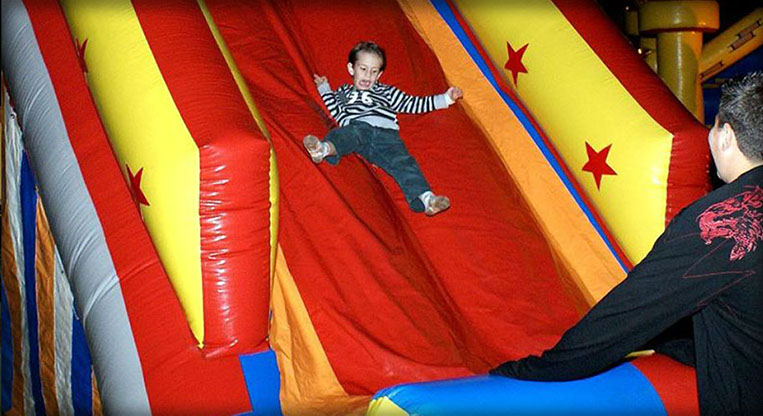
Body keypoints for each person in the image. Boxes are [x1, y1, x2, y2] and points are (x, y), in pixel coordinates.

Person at [491, 71, 762, 415]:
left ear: (726, 136)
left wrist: (530, 372)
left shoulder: (723, 222)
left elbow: (628, 313)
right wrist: (683, 348)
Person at [303, 41, 463, 216]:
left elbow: (414, 104)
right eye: (363, 69)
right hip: (358, 128)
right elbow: (334, 109)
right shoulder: (344, 92)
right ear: (351, 68)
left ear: (379, 75)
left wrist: (446, 99)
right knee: (346, 134)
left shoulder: (387, 92)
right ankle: (323, 149)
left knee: (404, 163)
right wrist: (324, 89)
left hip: (388, 136)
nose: (367, 75)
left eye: (374, 72)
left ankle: (427, 199)